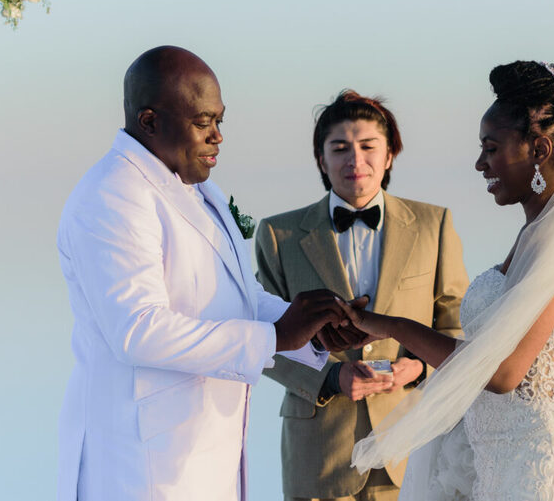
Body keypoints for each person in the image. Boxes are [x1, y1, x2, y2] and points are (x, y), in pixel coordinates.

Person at [55, 46, 361, 501]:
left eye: (220, 121)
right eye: (202, 123)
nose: (218, 136)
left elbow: (237, 297)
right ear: (149, 121)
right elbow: (138, 330)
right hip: (140, 468)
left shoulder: (201, 189)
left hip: (206, 456)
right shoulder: (113, 194)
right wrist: (276, 337)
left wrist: (310, 328)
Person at [339, 61, 554, 500]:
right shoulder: (542, 230)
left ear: (539, 150)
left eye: (491, 148)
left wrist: (393, 327)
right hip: (507, 457)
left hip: (544, 468)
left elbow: (503, 373)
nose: (480, 163)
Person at [255, 89, 469, 501]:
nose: (355, 160)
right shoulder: (277, 235)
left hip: (412, 449)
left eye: (369, 146)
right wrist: (332, 377)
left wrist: (420, 369)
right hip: (318, 454)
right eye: (340, 148)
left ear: (389, 155)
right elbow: (263, 340)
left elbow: (457, 324)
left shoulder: (433, 224)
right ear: (321, 159)